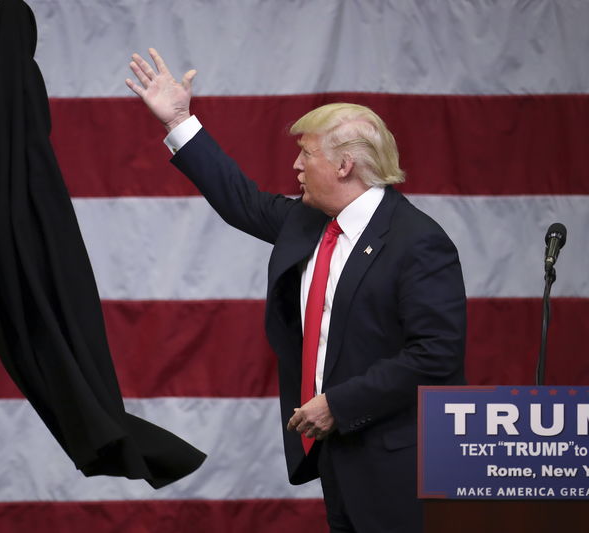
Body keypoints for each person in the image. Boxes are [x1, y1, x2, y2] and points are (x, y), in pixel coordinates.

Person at [126, 48, 466, 533]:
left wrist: (339, 404)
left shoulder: (419, 242)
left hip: (403, 467)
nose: (296, 166)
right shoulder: (310, 223)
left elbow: (437, 354)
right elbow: (241, 201)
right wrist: (180, 121)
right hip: (338, 457)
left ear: (345, 164)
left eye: (307, 154)